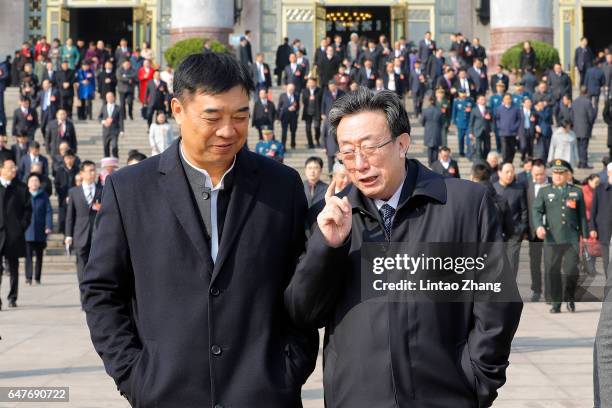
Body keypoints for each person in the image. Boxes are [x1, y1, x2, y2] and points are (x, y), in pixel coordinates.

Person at [80, 52, 318, 406]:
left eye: (240, 116)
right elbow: (101, 289)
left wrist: (288, 369)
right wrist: (135, 375)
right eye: (212, 116)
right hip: (166, 392)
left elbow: (302, 287)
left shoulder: (281, 185)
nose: (228, 130)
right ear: (177, 109)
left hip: (264, 394)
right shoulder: (130, 190)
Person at [285, 87, 522, 407]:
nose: (359, 163)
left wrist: (476, 380)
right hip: (356, 398)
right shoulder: (330, 216)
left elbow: (497, 305)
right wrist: (327, 247)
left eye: (369, 147)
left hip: (444, 396)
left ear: (402, 144)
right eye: (347, 152)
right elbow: (303, 312)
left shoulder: (465, 205)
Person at [533, 159, 588, 313]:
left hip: (571, 237)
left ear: (567, 174)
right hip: (552, 238)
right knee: (553, 270)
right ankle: (556, 303)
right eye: (555, 173)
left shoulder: (576, 191)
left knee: (571, 269)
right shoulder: (544, 191)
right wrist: (539, 227)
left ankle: (570, 298)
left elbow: (582, 215)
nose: (557, 176)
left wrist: (585, 235)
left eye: (560, 173)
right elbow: (537, 211)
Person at [65, 160, 102, 305]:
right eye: (89, 170)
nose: (92, 173)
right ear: (81, 173)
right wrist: (68, 236)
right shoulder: (74, 192)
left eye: (94, 170)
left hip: (98, 235)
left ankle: (96, 296)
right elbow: (70, 216)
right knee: (81, 268)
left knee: (97, 267)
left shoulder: (103, 189)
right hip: (80, 235)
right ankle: (84, 298)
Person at [0, 158, 31, 309]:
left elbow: (27, 210)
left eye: (14, 167)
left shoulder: (21, 188)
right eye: (10, 168)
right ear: (1, 170)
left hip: (14, 234)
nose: (14, 170)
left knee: (13, 267)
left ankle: (13, 297)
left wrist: (21, 227)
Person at [494, 162, 528, 278]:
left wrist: (521, 229)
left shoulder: (519, 189)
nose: (509, 175)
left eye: (512, 172)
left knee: (512, 264)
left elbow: (524, 211)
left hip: (514, 234)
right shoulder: (493, 188)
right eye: (506, 172)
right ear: (499, 173)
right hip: (496, 234)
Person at [525, 159, 549, 301]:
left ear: (545, 171)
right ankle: (536, 290)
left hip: (551, 230)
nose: (538, 177)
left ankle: (550, 291)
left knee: (551, 262)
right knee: (535, 262)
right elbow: (525, 207)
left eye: (541, 174)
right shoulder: (527, 185)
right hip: (534, 231)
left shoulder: (553, 182)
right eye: (536, 174)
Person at [24, 173, 52, 285]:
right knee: (28, 256)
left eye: (36, 181)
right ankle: (28, 277)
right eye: (32, 181)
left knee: (39, 256)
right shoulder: (25, 195)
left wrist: (48, 226)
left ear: (40, 183)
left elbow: (48, 212)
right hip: (27, 230)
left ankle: (37, 277)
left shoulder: (44, 195)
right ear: (28, 183)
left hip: (40, 229)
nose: (34, 183)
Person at [590, 162, 612, 279]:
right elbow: (593, 209)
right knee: (607, 261)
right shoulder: (600, 189)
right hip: (604, 229)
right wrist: (592, 227)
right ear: (609, 173)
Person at [321, 80, 344, 174]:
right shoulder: (326, 94)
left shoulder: (342, 94)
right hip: (330, 144)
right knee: (330, 162)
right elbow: (323, 134)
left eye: (333, 86)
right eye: (330, 86)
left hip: (340, 146)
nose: (332, 88)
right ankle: (331, 174)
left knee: (342, 163)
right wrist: (323, 146)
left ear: (336, 86)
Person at [54, 149, 78, 234]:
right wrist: (62, 195)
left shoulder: (77, 170)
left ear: (74, 159)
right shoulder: (60, 170)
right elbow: (57, 184)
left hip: (75, 197)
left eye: (71, 158)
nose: (69, 160)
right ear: (64, 159)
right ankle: (64, 234)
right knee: (63, 217)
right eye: (67, 158)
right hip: (63, 197)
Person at [495, 93, 521, 163]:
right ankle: (504, 162)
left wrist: (515, 126)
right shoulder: (499, 109)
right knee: (504, 148)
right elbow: (497, 119)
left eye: (509, 98)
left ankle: (510, 162)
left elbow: (519, 119)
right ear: (503, 100)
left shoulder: (516, 109)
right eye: (506, 99)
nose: (508, 100)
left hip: (512, 133)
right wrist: (500, 126)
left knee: (512, 149)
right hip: (503, 133)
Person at [98, 91, 124, 158]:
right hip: (106, 130)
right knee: (105, 146)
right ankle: (107, 160)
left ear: (114, 98)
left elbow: (121, 120)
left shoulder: (118, 108)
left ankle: (115, 158)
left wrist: (122, 130)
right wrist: (104, 121)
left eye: (111, 97)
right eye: (108, 97)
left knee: (114, 146)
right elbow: (99, 117)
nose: (109, 98)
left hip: (114, 130)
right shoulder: (104, 107)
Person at [469, 93, 493, 162]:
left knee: (487, 148)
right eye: (481, 99)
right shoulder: (474, 110)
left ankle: (486, 160)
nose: (483, 101)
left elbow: (492, 121)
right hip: (477, 130)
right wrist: (471, 132)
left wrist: (492, 130)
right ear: (478, 101)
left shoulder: (488, 109)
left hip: (486, 130)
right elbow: (471, 122)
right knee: (478, 148)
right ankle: (479, 161)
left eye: (484, 99)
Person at [420, 95, 444, 165]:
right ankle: (435, 162)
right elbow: (442, 122)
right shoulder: (439, 111)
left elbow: (422, 121)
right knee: (436, 148)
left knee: (430, 148)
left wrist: (426, 125)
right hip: (437, 130)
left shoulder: (425, 110)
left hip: (428, 130)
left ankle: (430, 163)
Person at [451, 88, 474, 158]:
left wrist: (470, 110)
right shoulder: (456, 101)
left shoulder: (470, 100)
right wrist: (453, 121)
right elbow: (454, 112)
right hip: (460, 123)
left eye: (464, 93)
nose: (463, 94)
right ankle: (461, 152)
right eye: (461, 93)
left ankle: (469, 153)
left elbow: (474, 109)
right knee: (460, 139)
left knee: (468, 140)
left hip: (468, 123)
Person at [277, 82, 299, 150]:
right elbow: (279, 106)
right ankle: (283, 146)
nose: (291, 90)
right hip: (285, 116)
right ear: (287, 89)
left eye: (292, 89)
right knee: (284, 132)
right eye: (290, 89)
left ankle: (293, 144)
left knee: (293, 131)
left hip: (293, 117)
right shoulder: (282, 95)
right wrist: (278, 117)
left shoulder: (296, 95)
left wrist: (295, 109)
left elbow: (298, 106)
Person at [301, 77, 322, 148]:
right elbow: (303, 101)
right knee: (308, 129)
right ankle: (310, 143)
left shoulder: (320, 90)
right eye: (309, 82)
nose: (310, 83)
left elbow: (322, 102)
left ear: (315, 83)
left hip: (317, 112)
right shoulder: (305, 91)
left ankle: (317, 139)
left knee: (317, 127)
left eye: (312, 82)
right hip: (308, 112)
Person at [517, 97, 537, 163]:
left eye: (530, 102)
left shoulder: (533, 112)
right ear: (523, 104)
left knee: (530, 147)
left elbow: (536, 121)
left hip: (531, 130)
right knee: (523, 146)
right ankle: (522, 158)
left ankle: (530, 161)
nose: (529, 104)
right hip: (522, 131)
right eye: (527, 103)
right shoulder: (519, 112)